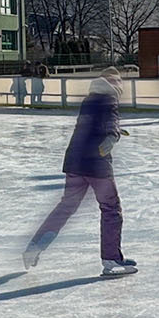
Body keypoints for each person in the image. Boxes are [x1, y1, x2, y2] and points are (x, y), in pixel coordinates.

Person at [24, 70, 136, 276]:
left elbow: (93, 124)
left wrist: (115, 132)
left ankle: (35, 247)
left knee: (65, 208)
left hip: (75, 162)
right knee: (111, 209)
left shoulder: (90, 99)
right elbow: (110, 122)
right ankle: (111, 259)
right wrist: (112, 136)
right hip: (97, 164)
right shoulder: (110, 99)